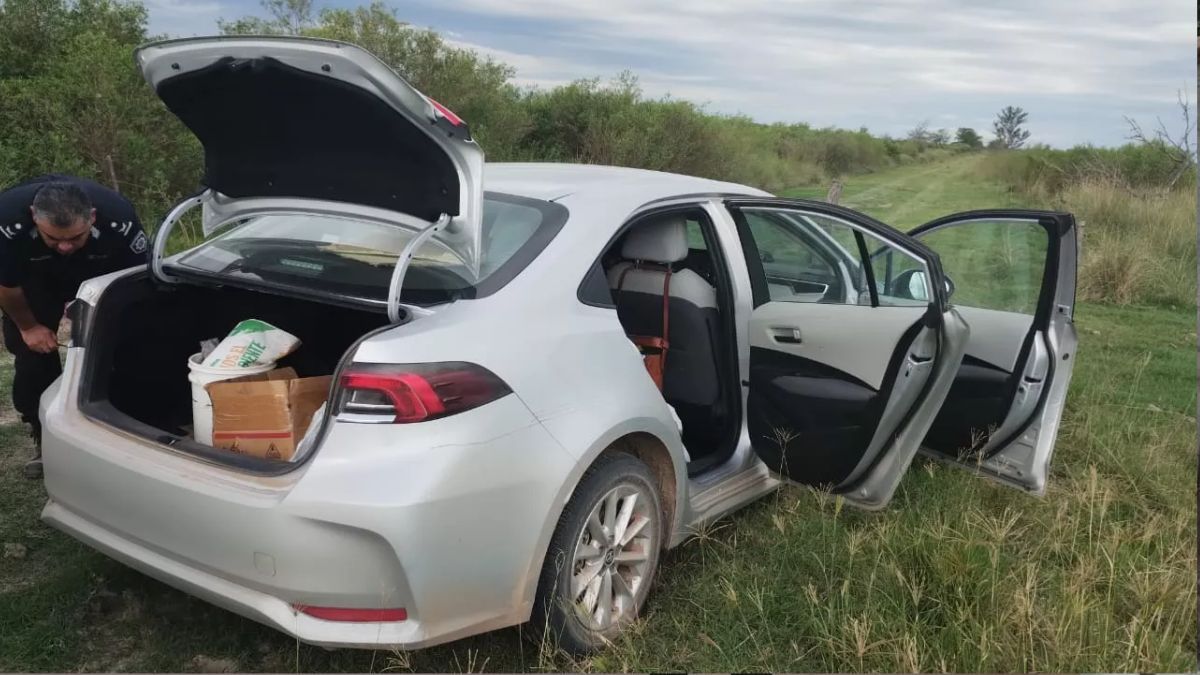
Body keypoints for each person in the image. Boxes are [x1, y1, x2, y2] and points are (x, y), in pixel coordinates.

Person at [0, 174, 148, 478]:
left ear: (92, 217)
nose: (65, 246)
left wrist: (104, 317)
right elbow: (7, 286)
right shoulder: (6, 221)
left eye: (75, 237)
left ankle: (122, 421)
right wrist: (29, 328)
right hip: (33, 277)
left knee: (124, 341)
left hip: (100, 269)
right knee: (33, 356)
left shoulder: (119, 219)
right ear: (33, 217)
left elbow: (135, 280)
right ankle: (44, 434)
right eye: (54, 238)